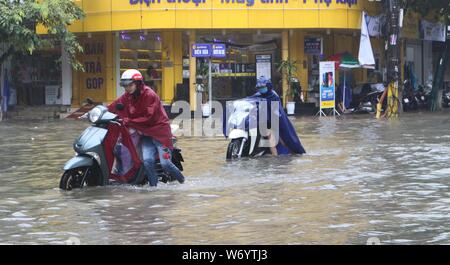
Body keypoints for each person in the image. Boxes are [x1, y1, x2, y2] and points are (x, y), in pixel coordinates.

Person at [108, 69, 185, 187]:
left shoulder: (149, 95)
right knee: (147, 161)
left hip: (160, 134)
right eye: (125, 86)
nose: (127, 88)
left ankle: (183, 182)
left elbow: (149, 117)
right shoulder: (128, 96)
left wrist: (129, 120)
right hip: (145, 135)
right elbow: (114, 106)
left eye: (130, 85)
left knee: (165, 164)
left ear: (138, 83)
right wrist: (96, 112)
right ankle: (154, 188)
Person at [249, 76, 306, 156]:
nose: (261, 88)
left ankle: (276, 158)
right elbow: (250, 100)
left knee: (279, 139)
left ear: (268, 86)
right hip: (262, 120)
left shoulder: (274, 96)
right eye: (259, 87)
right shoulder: (258, 95)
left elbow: (277, 112)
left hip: (274, 121)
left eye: (263, 87)